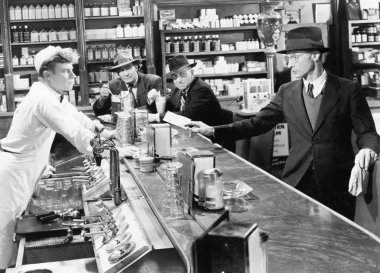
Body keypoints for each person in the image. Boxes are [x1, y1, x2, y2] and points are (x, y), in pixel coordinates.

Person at [187, 27, 380, 220]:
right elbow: (256, 123)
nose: (289, 64)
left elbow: (368, 133)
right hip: (297, 180)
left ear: (315, 55)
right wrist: (212, 130)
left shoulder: (348, 90)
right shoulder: (287, 91)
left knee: (339, 240)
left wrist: (367, 150)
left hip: (337, 183)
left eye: (295, 57)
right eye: (288, 58)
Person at [0, 46, 114, 269]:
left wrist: (105, 132)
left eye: (71, 71)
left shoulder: (51, 95)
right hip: (13, 174)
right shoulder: (44, 100)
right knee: (4, 233)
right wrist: (109, 148)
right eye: (65, 71)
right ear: (47, 75)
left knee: (11, 232)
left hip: (26, 168)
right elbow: (75, 133)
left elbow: (77, 117)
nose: (72, 76)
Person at [92, 50, 162, 116]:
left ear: (136, 67)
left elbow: (159, 109)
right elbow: (98, 112)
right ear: (118, 73)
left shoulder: (153, 81)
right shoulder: (113, 86)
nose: (126, 74)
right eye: (121, 70)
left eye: (128, 68)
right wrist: (102, 99)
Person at [159, 54, 224, 126]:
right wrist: (154, 100)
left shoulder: (201, 89)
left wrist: (157, 117)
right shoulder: (178, 88)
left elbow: (187, 117)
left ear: (192, 73)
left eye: (183, 74)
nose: (179, 80)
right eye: (175, 76)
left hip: (210, 134)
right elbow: (169, 105)